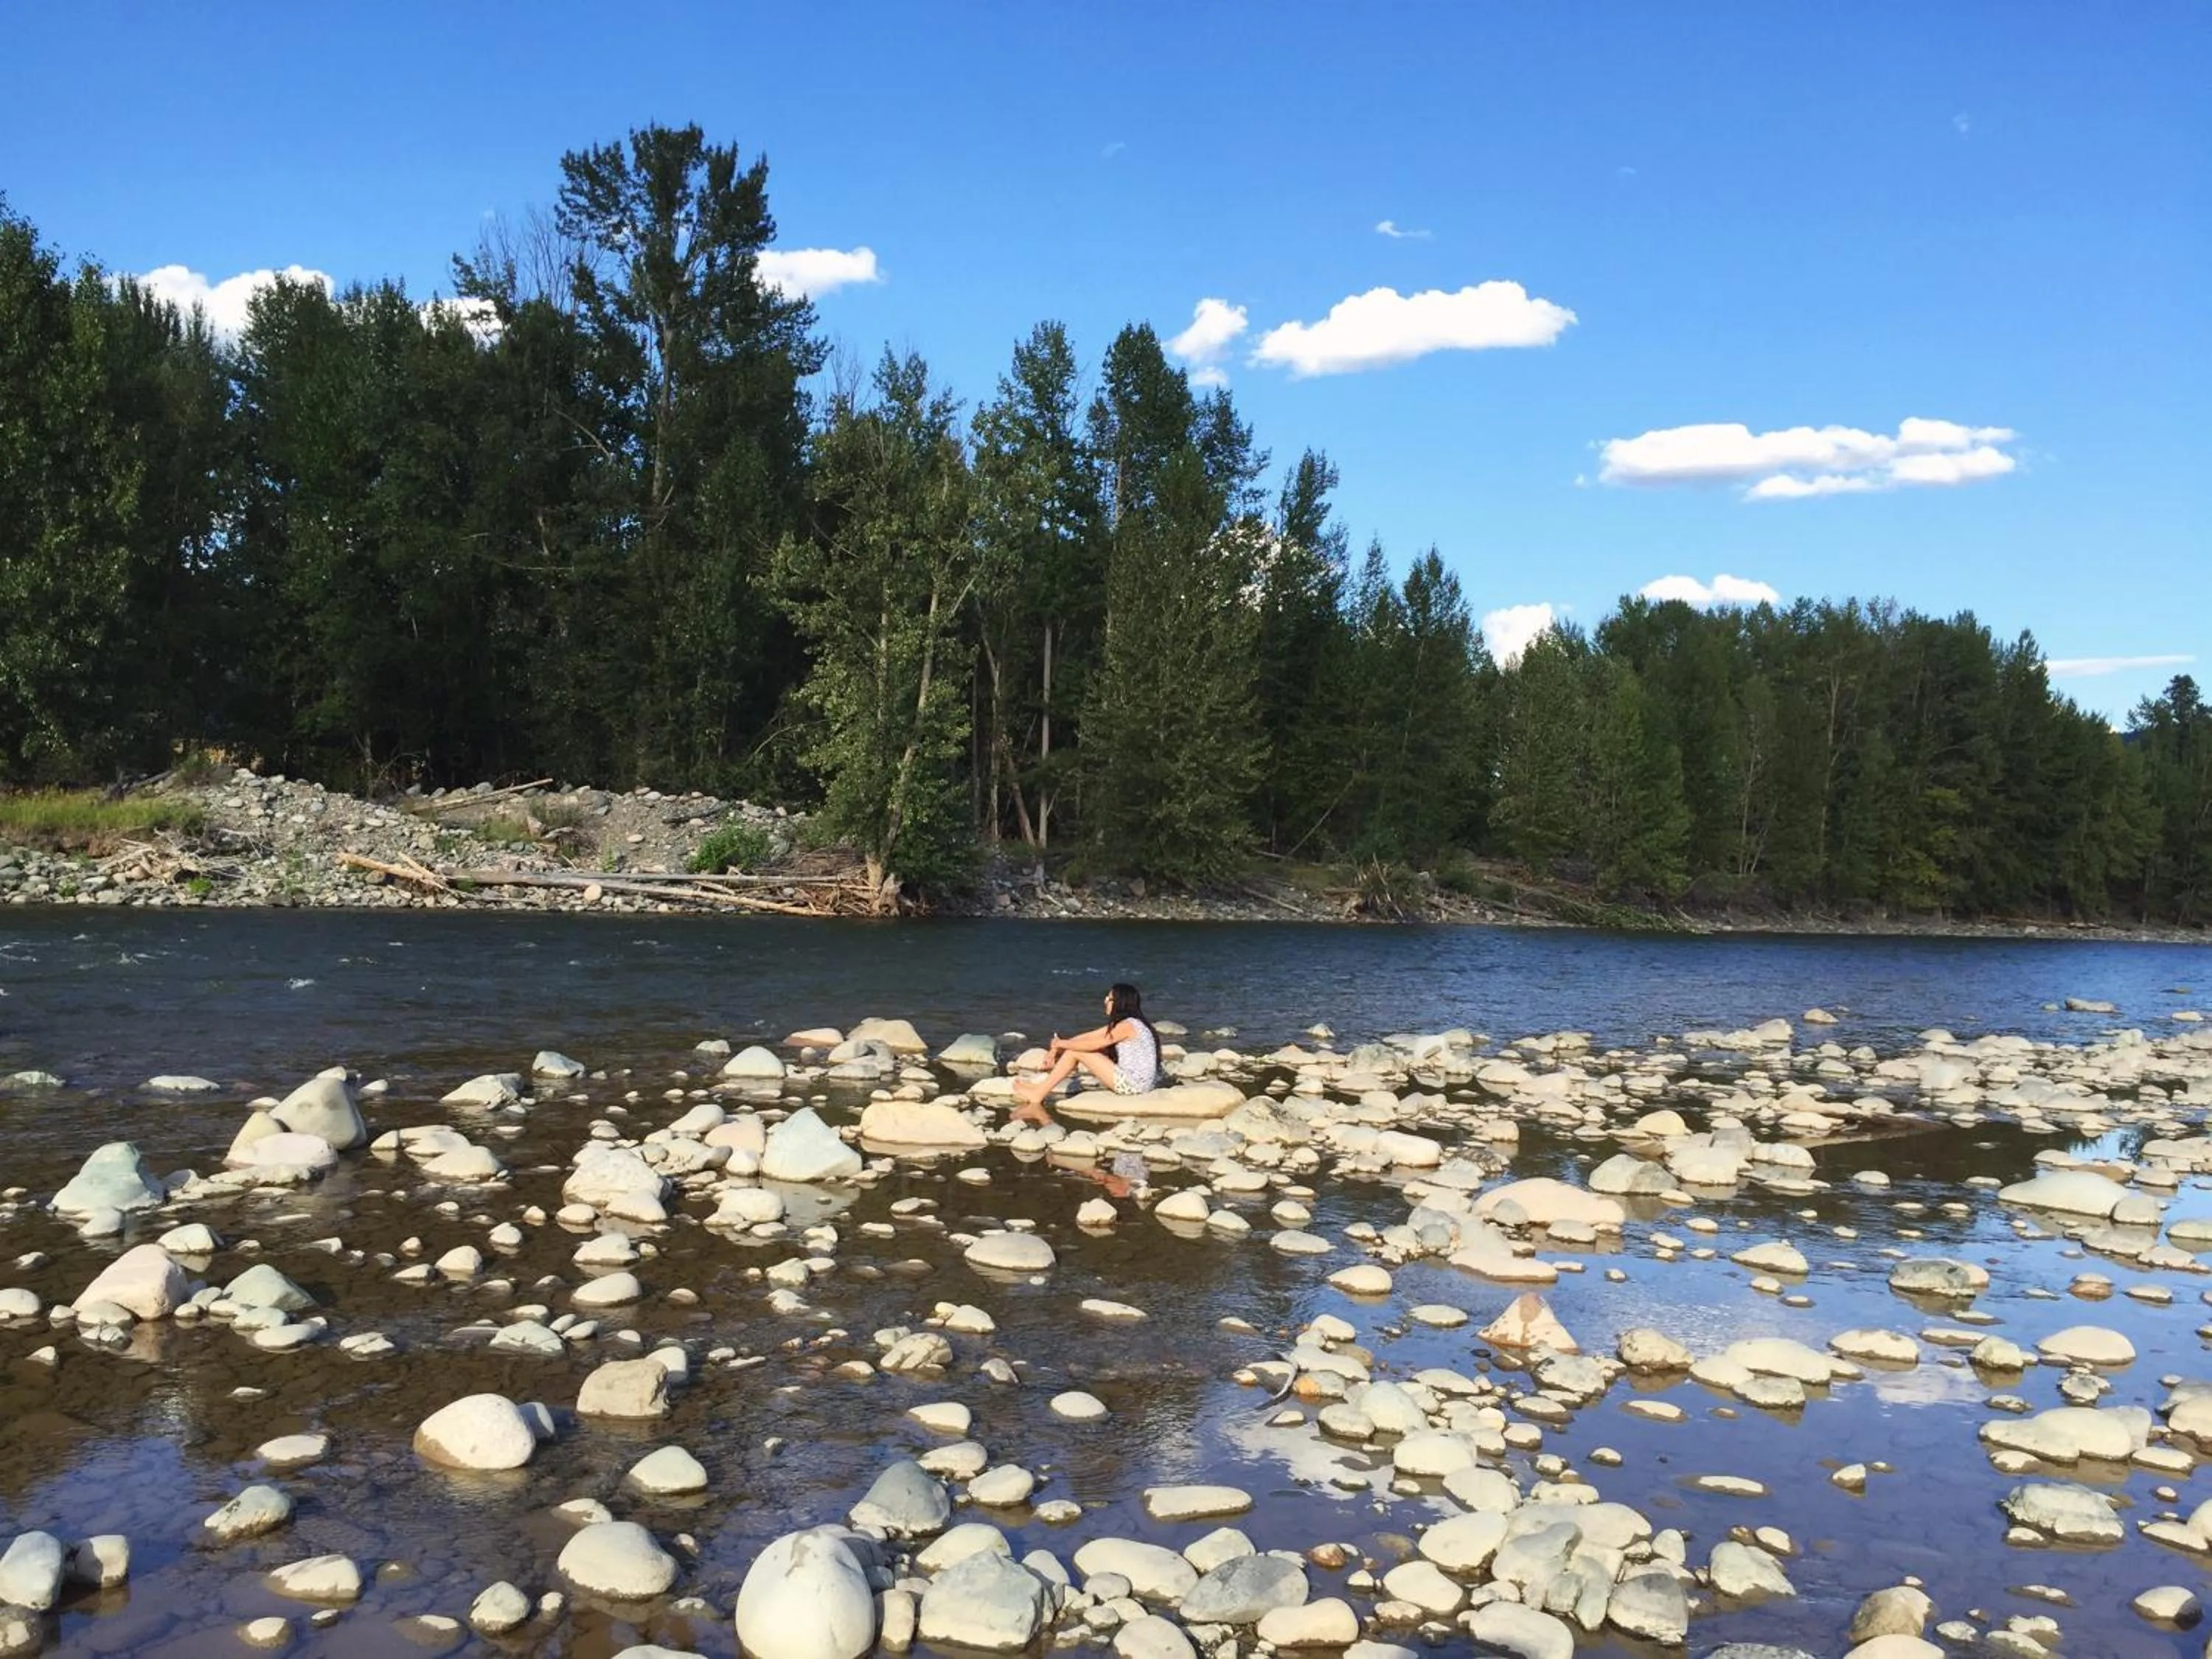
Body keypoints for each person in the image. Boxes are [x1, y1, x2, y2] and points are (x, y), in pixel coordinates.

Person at [1012, 982, 1161, 1125]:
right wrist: (1056, 1049)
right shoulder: (1130, 1024)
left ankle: (1038, 1094)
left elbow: (1093, 1044)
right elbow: (1088, 1037)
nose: (1105, 1001)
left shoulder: (1127, 1026)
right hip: (1139, 1084)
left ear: (1120, 1002)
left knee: (1075, 1052)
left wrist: (1061, 1044)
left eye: (1109, 998)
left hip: (1134, 1085)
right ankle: (1040, 1089)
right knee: (1074, 1049)